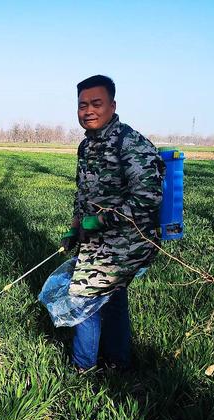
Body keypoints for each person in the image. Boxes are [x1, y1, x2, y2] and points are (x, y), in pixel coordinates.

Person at [60, 74, 165, 372]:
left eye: (96, 103)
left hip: (130, 239)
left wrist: (100, 220)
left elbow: (148, 199)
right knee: (112, 297)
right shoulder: (87, 145)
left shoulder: (129, 143)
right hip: (100, 238)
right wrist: (76, 226)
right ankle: (118, 363)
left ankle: (83, 369)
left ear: (112, 105)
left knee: (84, 294)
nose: (88, 111)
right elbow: (84, 193)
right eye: (82, 105)